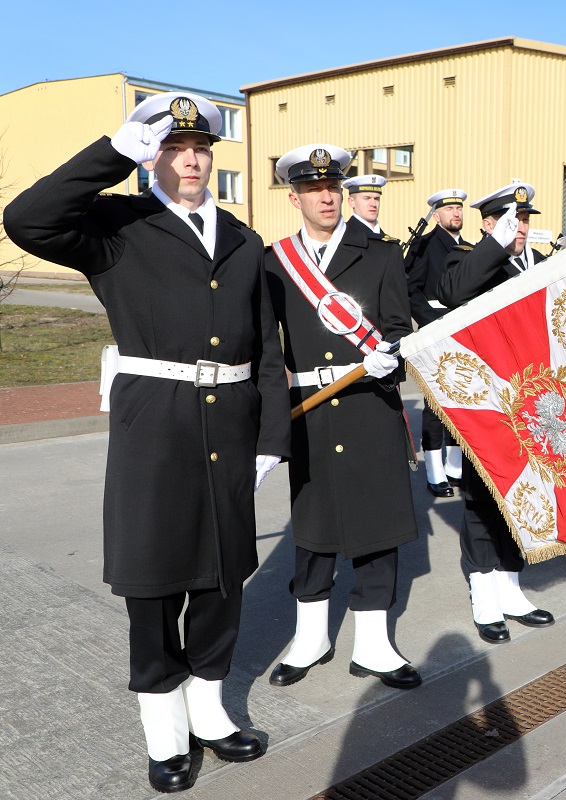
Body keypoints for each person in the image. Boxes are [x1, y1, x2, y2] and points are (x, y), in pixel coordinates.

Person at [4, 92, 290, 792]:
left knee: (223, 575)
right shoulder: (117, 226)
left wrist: (270, 437)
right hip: (155, 425)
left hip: (231, 421)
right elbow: (26, 219)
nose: (190, 160)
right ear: (152, 158)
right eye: (174, 148)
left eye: (201, 149)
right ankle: (164, 727)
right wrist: (110, 153)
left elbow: (266, 345)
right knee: (155, 582)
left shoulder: (243, 239)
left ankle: (210, 711)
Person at [264, 144, 422, 693]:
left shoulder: (381, 254)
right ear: (295, 198)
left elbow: (399, 328)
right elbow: (265, 345)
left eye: (332, 187)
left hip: (368, 406)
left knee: (377, 524)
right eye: (313, 190)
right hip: (310, 412)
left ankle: (374, 645)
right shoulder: (276, 261)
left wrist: (390, 357)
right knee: (312, 527)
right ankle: (311, 637)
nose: (326, 197)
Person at [437, 181, 556, 643]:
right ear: (488, 224)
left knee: (525, 494)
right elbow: (452, 291)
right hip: (487, 403)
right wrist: (495, 244)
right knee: (483, 500)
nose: (521, 227)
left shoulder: (536, 262)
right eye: (511, 219)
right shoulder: (468, 258)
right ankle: (483, 591)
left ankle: (510, 585)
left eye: (524, 219)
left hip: (532, 399)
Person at [408, 188, 471, 497]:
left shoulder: (470, 247)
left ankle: (455, 467)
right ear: (436, 215)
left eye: (459, 208)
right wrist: (432, 322)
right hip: (435, 331)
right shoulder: (424, 245)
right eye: (449, 209)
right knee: (435, 405)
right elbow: (411, 290)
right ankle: (435, 472)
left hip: (464, 333)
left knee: (462, 400)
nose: (455, 213)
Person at [343, 173, 388, 238]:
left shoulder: (387, 240)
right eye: (367, 198)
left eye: (376, 199)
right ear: (352, 202)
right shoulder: (343, 236)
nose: (373, 204)